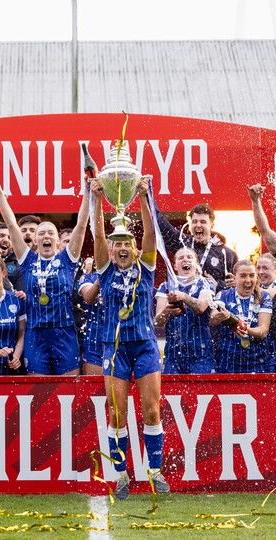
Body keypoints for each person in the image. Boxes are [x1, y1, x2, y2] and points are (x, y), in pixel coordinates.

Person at [91, 174, 168, 499]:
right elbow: (96, 234)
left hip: (145, 346)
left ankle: (155, 470)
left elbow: (151, 232)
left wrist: (144, 196)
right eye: (116, 243)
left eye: (126, 243)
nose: (121, 247)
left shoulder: (146, 268)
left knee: (151, 410)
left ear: (133, 248)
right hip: (115, 347)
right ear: (111, 248)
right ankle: (121, 474)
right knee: (117, 412)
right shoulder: (105, 269)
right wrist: (95, 199)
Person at [0, 172, 90, 376]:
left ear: (56, 240)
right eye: (41, 233)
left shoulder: (67, 259)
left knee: (69, 391)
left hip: (65, 332)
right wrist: (0, 194)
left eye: (50, 233)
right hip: (35, 333)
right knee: (39, 393)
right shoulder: (27, 261)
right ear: (35, 240)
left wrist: (87, 192)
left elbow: (81, 225)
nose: (46, 236)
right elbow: (11, 224)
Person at [154, 247, 216, 374]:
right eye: (180, 258)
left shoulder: (206, 283)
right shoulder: (165, 286)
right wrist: (167, 311)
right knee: (172, 392)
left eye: (189, 257)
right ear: (175, 266)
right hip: (173, 354)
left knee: (202, 392)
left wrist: (183, 297)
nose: (185, 260)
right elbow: (158, 322)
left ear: (196, 264)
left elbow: (201, 307)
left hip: (201, 353)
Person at [209, 260, 274, 373]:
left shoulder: (264, 296)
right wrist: (220, 316)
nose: (248, 280)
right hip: (228, 362)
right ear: (235, 278)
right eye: (243, 276)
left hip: (258, 362)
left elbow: (263, 331)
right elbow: (213, 319)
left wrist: (243, 328)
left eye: (252, 276)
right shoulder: (224, 295)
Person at [157, 203, 237, 292]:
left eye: (203, 222)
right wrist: (146, 195)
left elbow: (235, 286)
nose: (198, 225)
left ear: (212, 226)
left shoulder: (228, 254)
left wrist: (217, 285)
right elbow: (160, 224)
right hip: (185, 301)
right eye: (194, 222)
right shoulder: (183, 243)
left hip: (213, 303)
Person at [78, 264, 105, 375]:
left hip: (125, 343)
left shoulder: (132, 278)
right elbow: (88, 298)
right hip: (96, 344)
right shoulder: (89, 278)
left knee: (128, 391)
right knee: (94, 390)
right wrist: (102, 278)